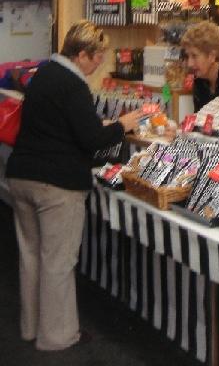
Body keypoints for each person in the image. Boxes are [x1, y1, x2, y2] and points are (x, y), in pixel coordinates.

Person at [6, 20, 143, 351]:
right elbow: (91, 139)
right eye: (97, 58)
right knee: (58, 261)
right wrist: (122, 125)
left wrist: (102, 125)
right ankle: (57, 337)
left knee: (32, 257)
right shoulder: (73, 84)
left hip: (22, 175)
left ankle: (31, 327)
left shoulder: (43, 75)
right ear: (82, 54)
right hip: (57, 185)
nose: (99, 65)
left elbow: (61, 125)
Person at [180, 20, 219, 112]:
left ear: (212, 56)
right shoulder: (199, 81)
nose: (189, 63)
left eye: (194, 56)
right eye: (188, 56)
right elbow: (200, 121)